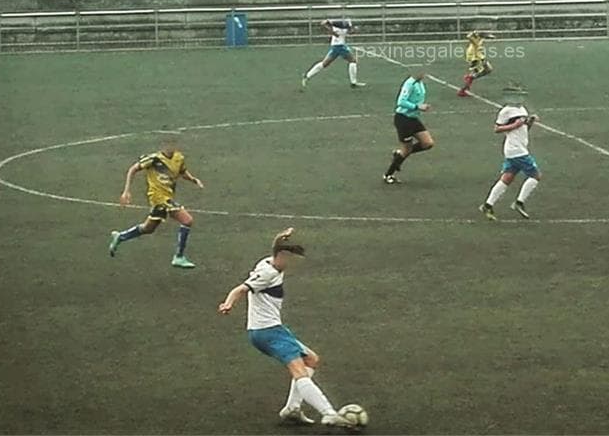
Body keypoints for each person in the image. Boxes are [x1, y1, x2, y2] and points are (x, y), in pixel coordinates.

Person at [217, 228, 352, 429]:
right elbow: (241, 289)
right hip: (268, 332)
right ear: (281, 255)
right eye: (289, 258)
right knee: (299, 371)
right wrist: (228, 304)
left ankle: (292, 409)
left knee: (311, 359)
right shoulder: (268, 273)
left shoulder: (268, 262)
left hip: (272, 330)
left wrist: (280, 237)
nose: (291, 263)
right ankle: (329, 413)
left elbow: (275, 249)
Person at [108, 135, 204, 268]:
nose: (170, 147)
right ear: (162, 146)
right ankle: (179, 256)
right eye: (167, 144)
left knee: (148, 228)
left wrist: (193, 179)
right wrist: (126, 191)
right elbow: (133, 169)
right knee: (187, 220)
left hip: (168, 197)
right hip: (158, 198)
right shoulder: (153, 159)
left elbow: (183, 172)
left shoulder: (179, 158)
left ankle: (120, 237)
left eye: (172, 144)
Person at [480, 84, 542, 220]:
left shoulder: (522, 109)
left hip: (518, 148)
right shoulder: (506, 111)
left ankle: (487, 205)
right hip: (516, 150)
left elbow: (524, 129)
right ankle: (519, 203)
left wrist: (530, 121)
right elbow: (497, 129)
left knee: (507, 178)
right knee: (536, 175)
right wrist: (515, 125)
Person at [383, 69, 434, 184]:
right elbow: (401, 102)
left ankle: (398, 154)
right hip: (403, 119)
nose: (424, 74)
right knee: (406, 149)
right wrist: (417, 106)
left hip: (413, 119)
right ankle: (388, 174)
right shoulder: (409, 84)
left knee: (427, 143)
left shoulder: (420, 83)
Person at [301, 18, 365, 90]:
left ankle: (307, 76)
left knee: (324, 64)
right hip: (339, 47)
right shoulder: (340, 27)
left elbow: (349, 31)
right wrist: (331, 30)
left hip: (336, 46)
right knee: (353, 61)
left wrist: (331, 29)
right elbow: (325, 24)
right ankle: (353, 83)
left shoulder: (338, 27)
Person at [457, 30, 496, 97]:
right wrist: (473, 33)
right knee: (478, 72)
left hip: (478, 56)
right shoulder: (475, 39)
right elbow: (469, 36)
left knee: (488, 69)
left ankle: (470, 78)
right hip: (474, 58)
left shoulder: (480, 39)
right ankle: (462, 90)